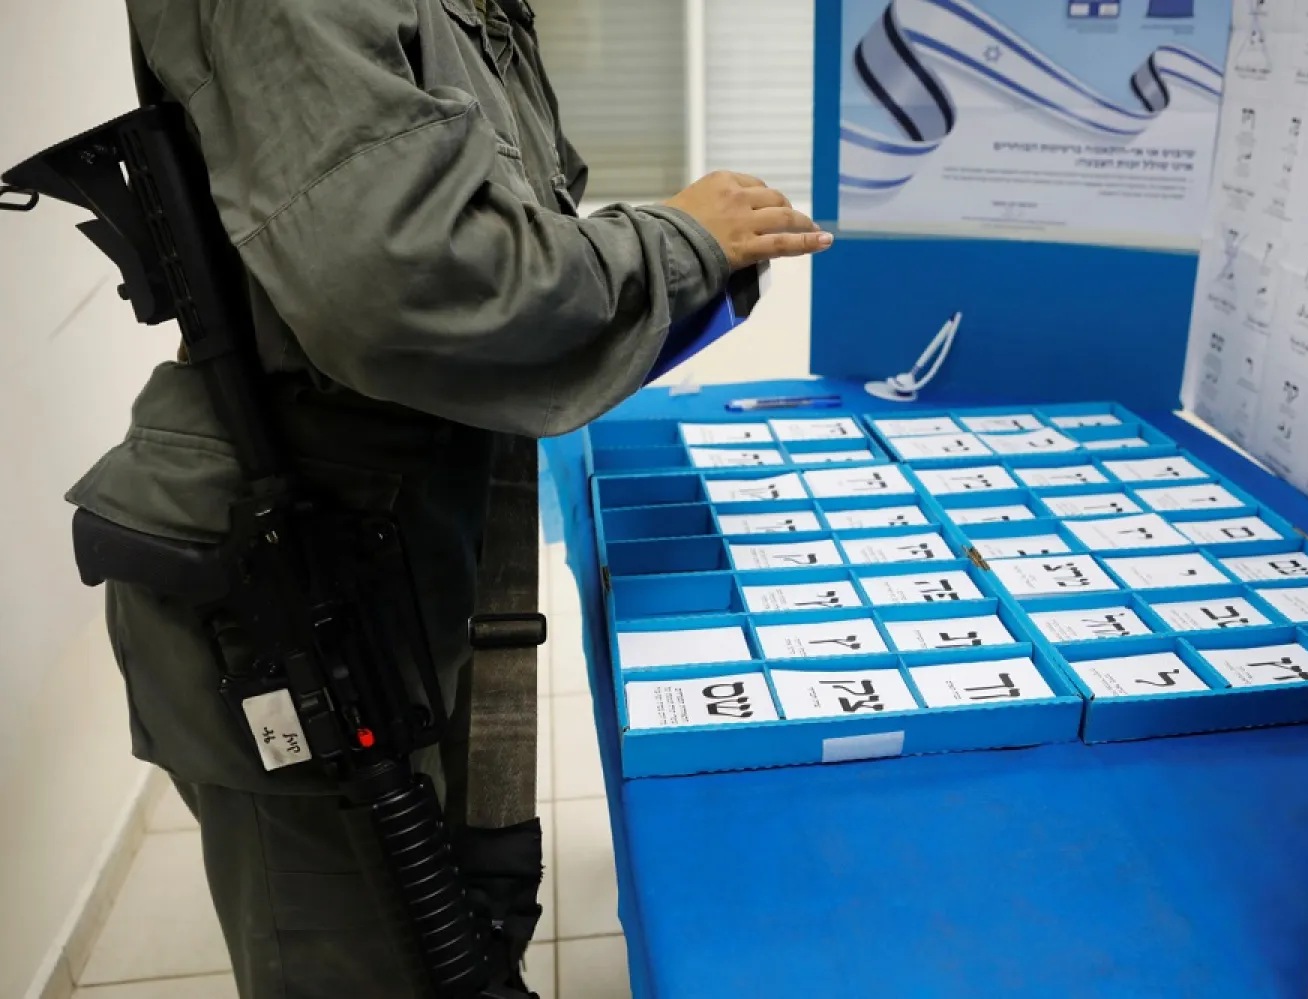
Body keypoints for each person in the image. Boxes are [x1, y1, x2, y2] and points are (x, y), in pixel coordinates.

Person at [73, 1, 831, 996]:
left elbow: (508, 244)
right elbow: (410, 288)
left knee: (465, 921)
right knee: (365, 961)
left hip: (403, 539)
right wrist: (683, 244)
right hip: (295, 579)